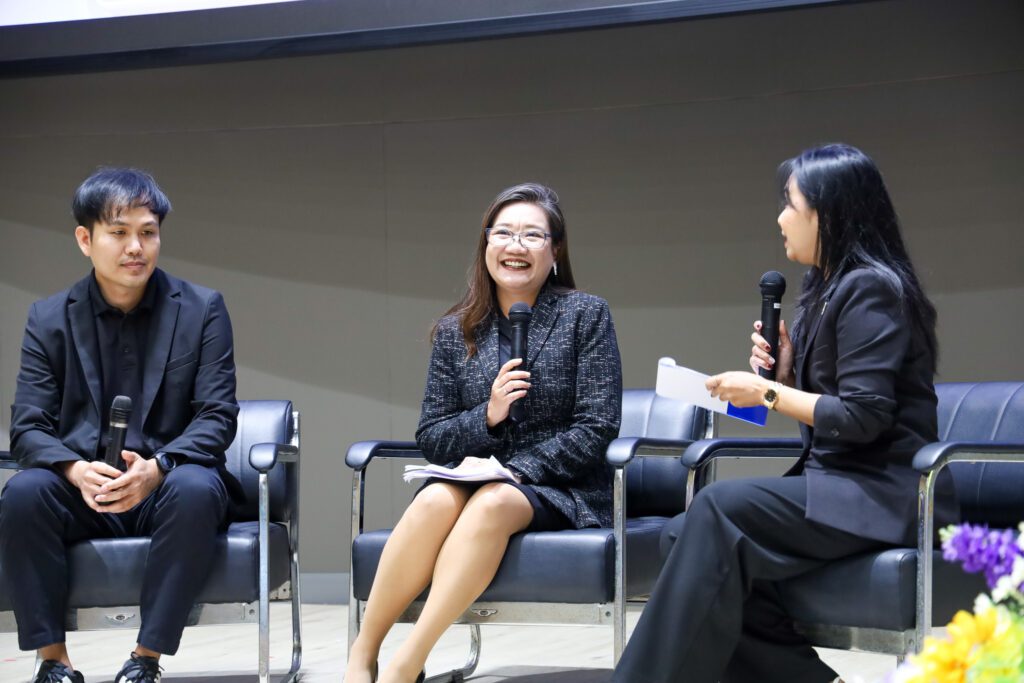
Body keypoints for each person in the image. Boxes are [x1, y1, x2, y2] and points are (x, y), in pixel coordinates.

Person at [611, 143, 957, 683]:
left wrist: (768, 392)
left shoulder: (871, 289)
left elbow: (863, 416)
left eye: (790, 205)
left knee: (717, 508)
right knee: (678, 535)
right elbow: (835, 408)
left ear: (828, 214)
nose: (780, 219)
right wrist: (790, 375)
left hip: (887, 495)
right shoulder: (826, 289)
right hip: (843, 485)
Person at [344, 183, 623, 683]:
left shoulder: (586, 315)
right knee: (432, 500)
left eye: (532, 235)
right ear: (486, 244)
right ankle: (362, 654)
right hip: (474, 475)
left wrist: (518, 471)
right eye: (504, 233)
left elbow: (598, 424)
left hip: (563, 486)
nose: (516, 246)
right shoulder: (457, 330)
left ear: (555, 250)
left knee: (494, 501)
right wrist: (488, 416)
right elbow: (433, 435)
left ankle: (406, 663)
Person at [0, 168, 242, 683]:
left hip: (166, 484)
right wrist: (74, 470)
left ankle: (145, 659)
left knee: (196, 487)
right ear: (85, 240)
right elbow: (27, 427)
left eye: (148, 232)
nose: (136, 247)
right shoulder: (48, 318)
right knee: (23, 492)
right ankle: (53, 662)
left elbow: (217, 416)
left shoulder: (202, 309)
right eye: (119, 232)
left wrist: (159, 467)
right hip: (83, 490)